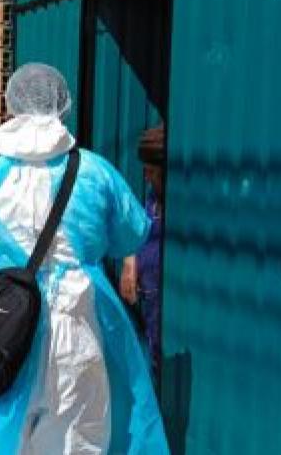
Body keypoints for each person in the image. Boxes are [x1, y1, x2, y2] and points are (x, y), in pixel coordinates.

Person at [0, 63, 169, 454]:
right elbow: (133, 232)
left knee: (4, 435)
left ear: (11, 104)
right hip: (78, 324)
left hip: (5, 328)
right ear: (62, 107)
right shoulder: (92, 170)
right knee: (77, 436)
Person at [120, 126, 166, 378]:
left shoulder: (178, 198)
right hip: (147, 295)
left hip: (164, 299)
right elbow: (138, 226)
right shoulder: (153, 195)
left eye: (152, 171)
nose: (147, 177)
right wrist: (130, 262)